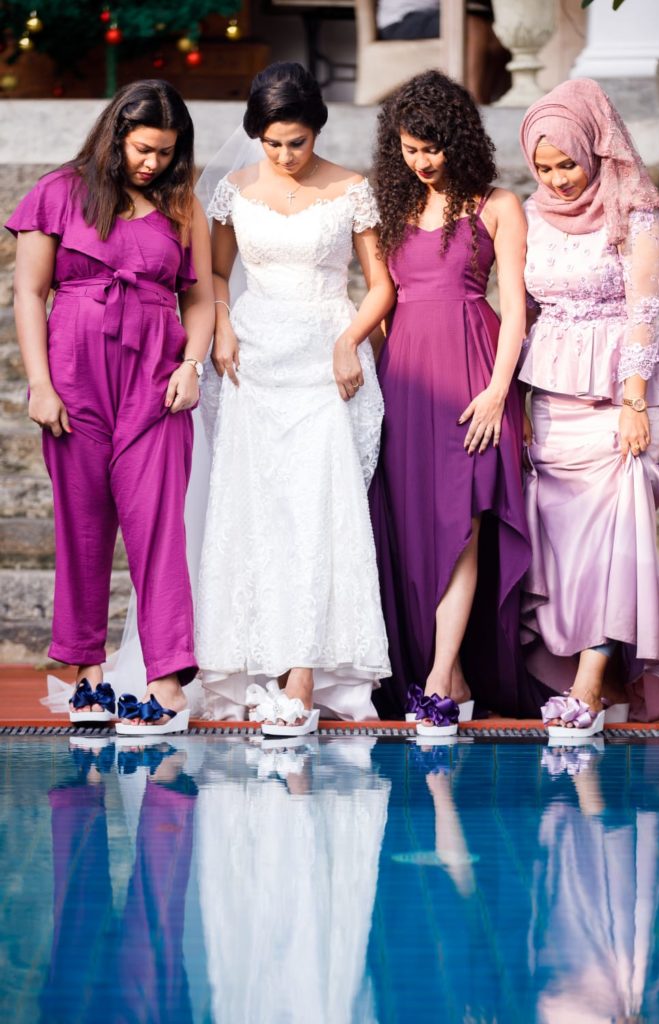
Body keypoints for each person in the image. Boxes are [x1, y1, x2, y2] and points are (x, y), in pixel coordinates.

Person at [6, 80, 214, 735]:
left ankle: (164, 681)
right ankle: (88, 677)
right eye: (144, 148)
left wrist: (191, 364)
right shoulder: (57, 193)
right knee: (83, 526)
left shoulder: (182, 207)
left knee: (158, 531)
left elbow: (202, 297)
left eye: (166, 152)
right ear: (116, 133)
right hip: (73, 375)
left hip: (156, 379)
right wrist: (39, 384)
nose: (153, 163)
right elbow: (29, 293)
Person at [195, 62, 394, 735]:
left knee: (317, 513)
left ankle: (304, 675)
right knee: (257, 514)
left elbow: (379, 286)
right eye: (273, 142)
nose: (283, 155)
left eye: (296, 142)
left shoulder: (351, 189)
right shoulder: (233, 189)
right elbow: (217, 273)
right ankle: (255, 661)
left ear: (317, 131)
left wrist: (349, 340)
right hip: (251, 361)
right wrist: (221, 326)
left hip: (322, 364)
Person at [369, 70, 534, 731]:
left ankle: (440, 676)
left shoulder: (498, 205)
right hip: (403, 379)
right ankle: (448, 673)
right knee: (414, 533)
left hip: (472, 376)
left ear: (459, 141)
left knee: (461, 525)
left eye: (431, 149)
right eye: (408, 149)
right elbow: (383, 301)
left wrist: (497, 392)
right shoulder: (394, 208)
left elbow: (516, 311)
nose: (420, 161)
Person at [518, 78, 659, 737]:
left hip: (619, 397)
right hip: (550, 401)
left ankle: (589, 684)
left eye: (568, 164)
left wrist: (634, 400)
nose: (558, 180)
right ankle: (569, 675)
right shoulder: (529, 214)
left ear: (594, 148)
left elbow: (645, 310)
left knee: (619, 530)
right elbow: (522, 307)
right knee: (556, 550)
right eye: (545, 167)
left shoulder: (634, 210)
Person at [376, 0, 510, 104]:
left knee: (498, 36)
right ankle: (472, 101)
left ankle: (484, 103)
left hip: (438, 13)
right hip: (400, 19)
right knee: (470, 24)